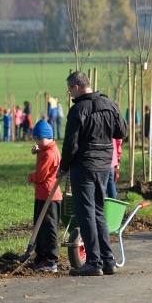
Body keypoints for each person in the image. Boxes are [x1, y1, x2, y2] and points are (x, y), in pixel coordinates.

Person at [59, 71, 127, 276]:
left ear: (77, 87)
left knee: (86, 212)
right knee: (98, 211)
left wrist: (63, 167)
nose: (70, 93)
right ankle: (108, 260)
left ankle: (94, 262)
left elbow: (71, 144)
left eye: (70, 89)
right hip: (104, 164)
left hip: (84, 165)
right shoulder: (110, 104)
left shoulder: (78, 109)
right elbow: (121, 132)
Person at [26, 119, 62, 272]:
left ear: (49, 137)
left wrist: (31, 177)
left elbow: (40, 175)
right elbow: (43, 151)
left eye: (40, 139)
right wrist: (38, 149)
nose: (38, 142)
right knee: (39, 227)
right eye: (36, 139)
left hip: (49, 196)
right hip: (42, 195)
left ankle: (50, 260)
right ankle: (40, 257)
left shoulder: (50, 154)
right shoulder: (46, 150)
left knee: (48, 229)